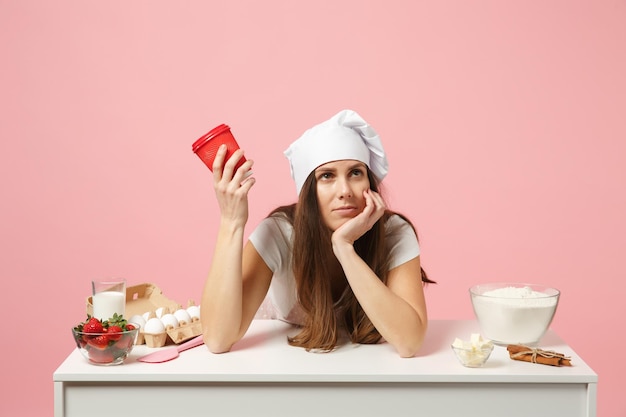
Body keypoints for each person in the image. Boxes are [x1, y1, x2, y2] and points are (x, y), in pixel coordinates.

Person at [200, 109, 434, 358]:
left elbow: (410, 342)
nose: (345, 190)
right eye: (327, 176)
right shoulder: (279, 233)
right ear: (308, 192)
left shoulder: (394, 232)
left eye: (356, 173)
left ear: (370, 183)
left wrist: (344, 248)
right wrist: (231, 221)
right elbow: (217, 339)